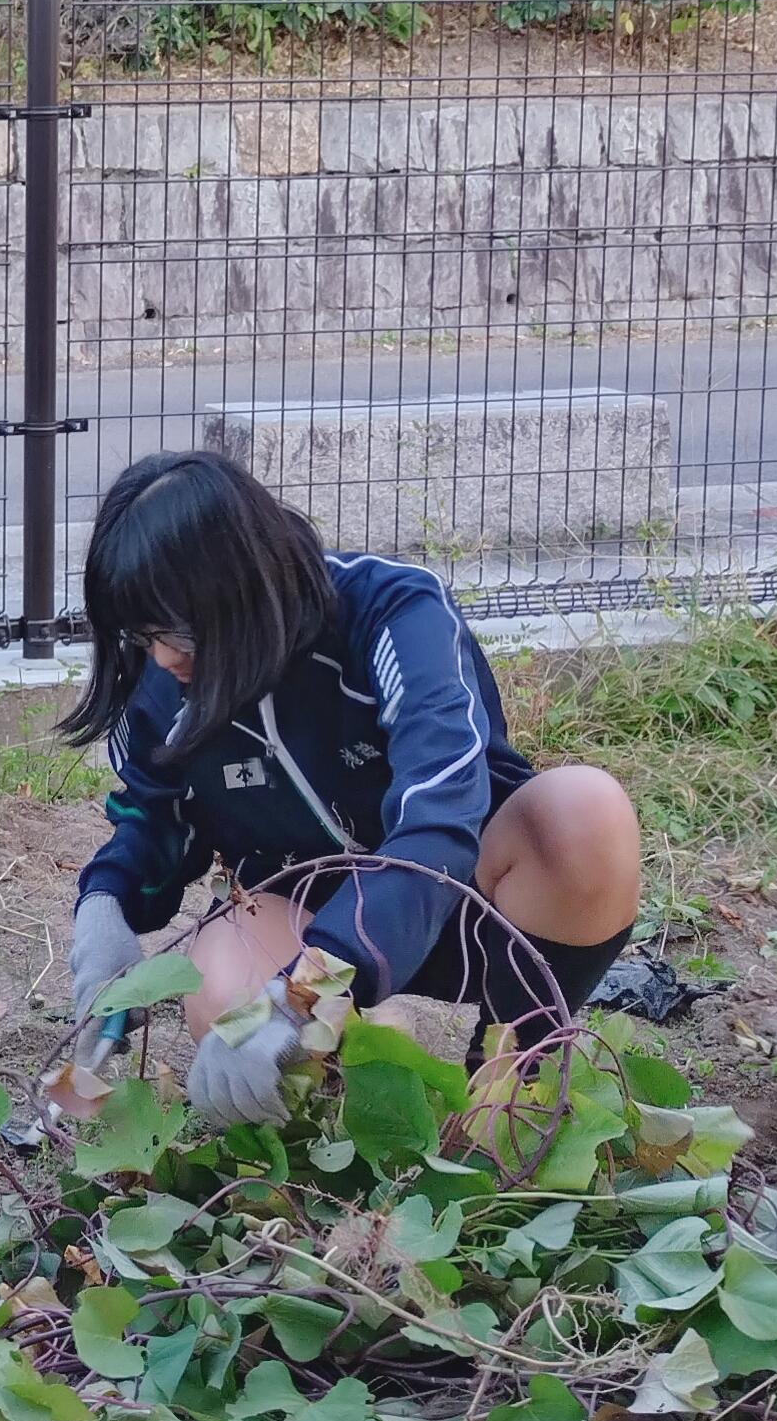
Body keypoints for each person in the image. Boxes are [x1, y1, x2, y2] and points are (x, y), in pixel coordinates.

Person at [58, 449, 644, 1119]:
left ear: (248, 588)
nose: (164, 658)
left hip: (465, 904)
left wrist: (304, 995)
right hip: (303, 913)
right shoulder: (164, 681)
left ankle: (517, 1083)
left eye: (183, 633)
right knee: (222, 993)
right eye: (145, 634)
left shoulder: (391, 610)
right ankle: (364, 1073)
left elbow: (441, 820)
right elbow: (156, 827)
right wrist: (105, 907)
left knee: (583, 812)